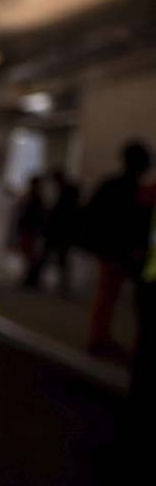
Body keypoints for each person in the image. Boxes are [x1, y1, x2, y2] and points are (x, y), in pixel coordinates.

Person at [82, 140, 152, 359]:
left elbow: (92, 214)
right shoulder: (137, 190)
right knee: (109, 296)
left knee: (107, 296)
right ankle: (99, 339)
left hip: (113, 250)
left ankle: (99, 338)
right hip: (123, 251)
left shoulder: (112, 185)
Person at [42, 169, 80, 293]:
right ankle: (62, 285)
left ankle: (63, 285)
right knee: (59, 258)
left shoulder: (67, 192)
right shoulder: (67, 191)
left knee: (60, 258)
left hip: (61, 231)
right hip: (61, 231)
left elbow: (62, 214)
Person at [15, 175, 47, 288]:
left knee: (31, 255)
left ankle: (31, 279)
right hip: (28, 230)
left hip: (30, 230)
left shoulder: (35, 198)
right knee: (29, 255)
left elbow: (35, 216)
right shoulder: (32, 198)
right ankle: (30, 278)